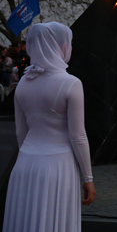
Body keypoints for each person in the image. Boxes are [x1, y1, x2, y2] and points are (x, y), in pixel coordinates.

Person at [3, 22, 95, 231]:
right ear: (60, 47)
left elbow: (21, 134)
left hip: (24, 165)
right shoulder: (71, 83)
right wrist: (88, 177)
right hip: (58, 166)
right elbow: (78, 136)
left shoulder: (24, 83)